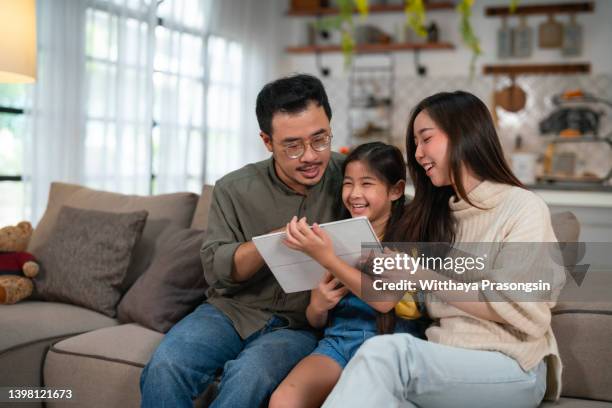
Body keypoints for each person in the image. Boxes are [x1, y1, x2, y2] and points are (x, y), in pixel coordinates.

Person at [322, 91, 565, 408]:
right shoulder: (437, 215)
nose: (418, 154)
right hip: (445, 363)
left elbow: (522, 307)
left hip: (512, 365)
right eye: (416, 144)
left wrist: (419, 275)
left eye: (426, 139)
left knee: (386, 353)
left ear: (462, 134)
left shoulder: (522, 208)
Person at [140, 74, 346, 407]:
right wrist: (274, 240)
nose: (310, 156)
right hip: (231, 310)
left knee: (249, 376)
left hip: (299, 325)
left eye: (320, 139)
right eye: (292, 146)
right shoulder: (233, 188)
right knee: (166, 365)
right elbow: (216, 268)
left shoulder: (353, 178)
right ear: (267, 141)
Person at [269, 142, 427, 408]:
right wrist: (318, 306)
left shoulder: (410, 239)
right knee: (283, 400)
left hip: (391, 346)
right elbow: (316, 319)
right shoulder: (331, 237)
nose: (354, 194)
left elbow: (385, 300)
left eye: (367, 184)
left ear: (396, 190)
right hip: (340, 342)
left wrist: (326, 258)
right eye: (348, 183)